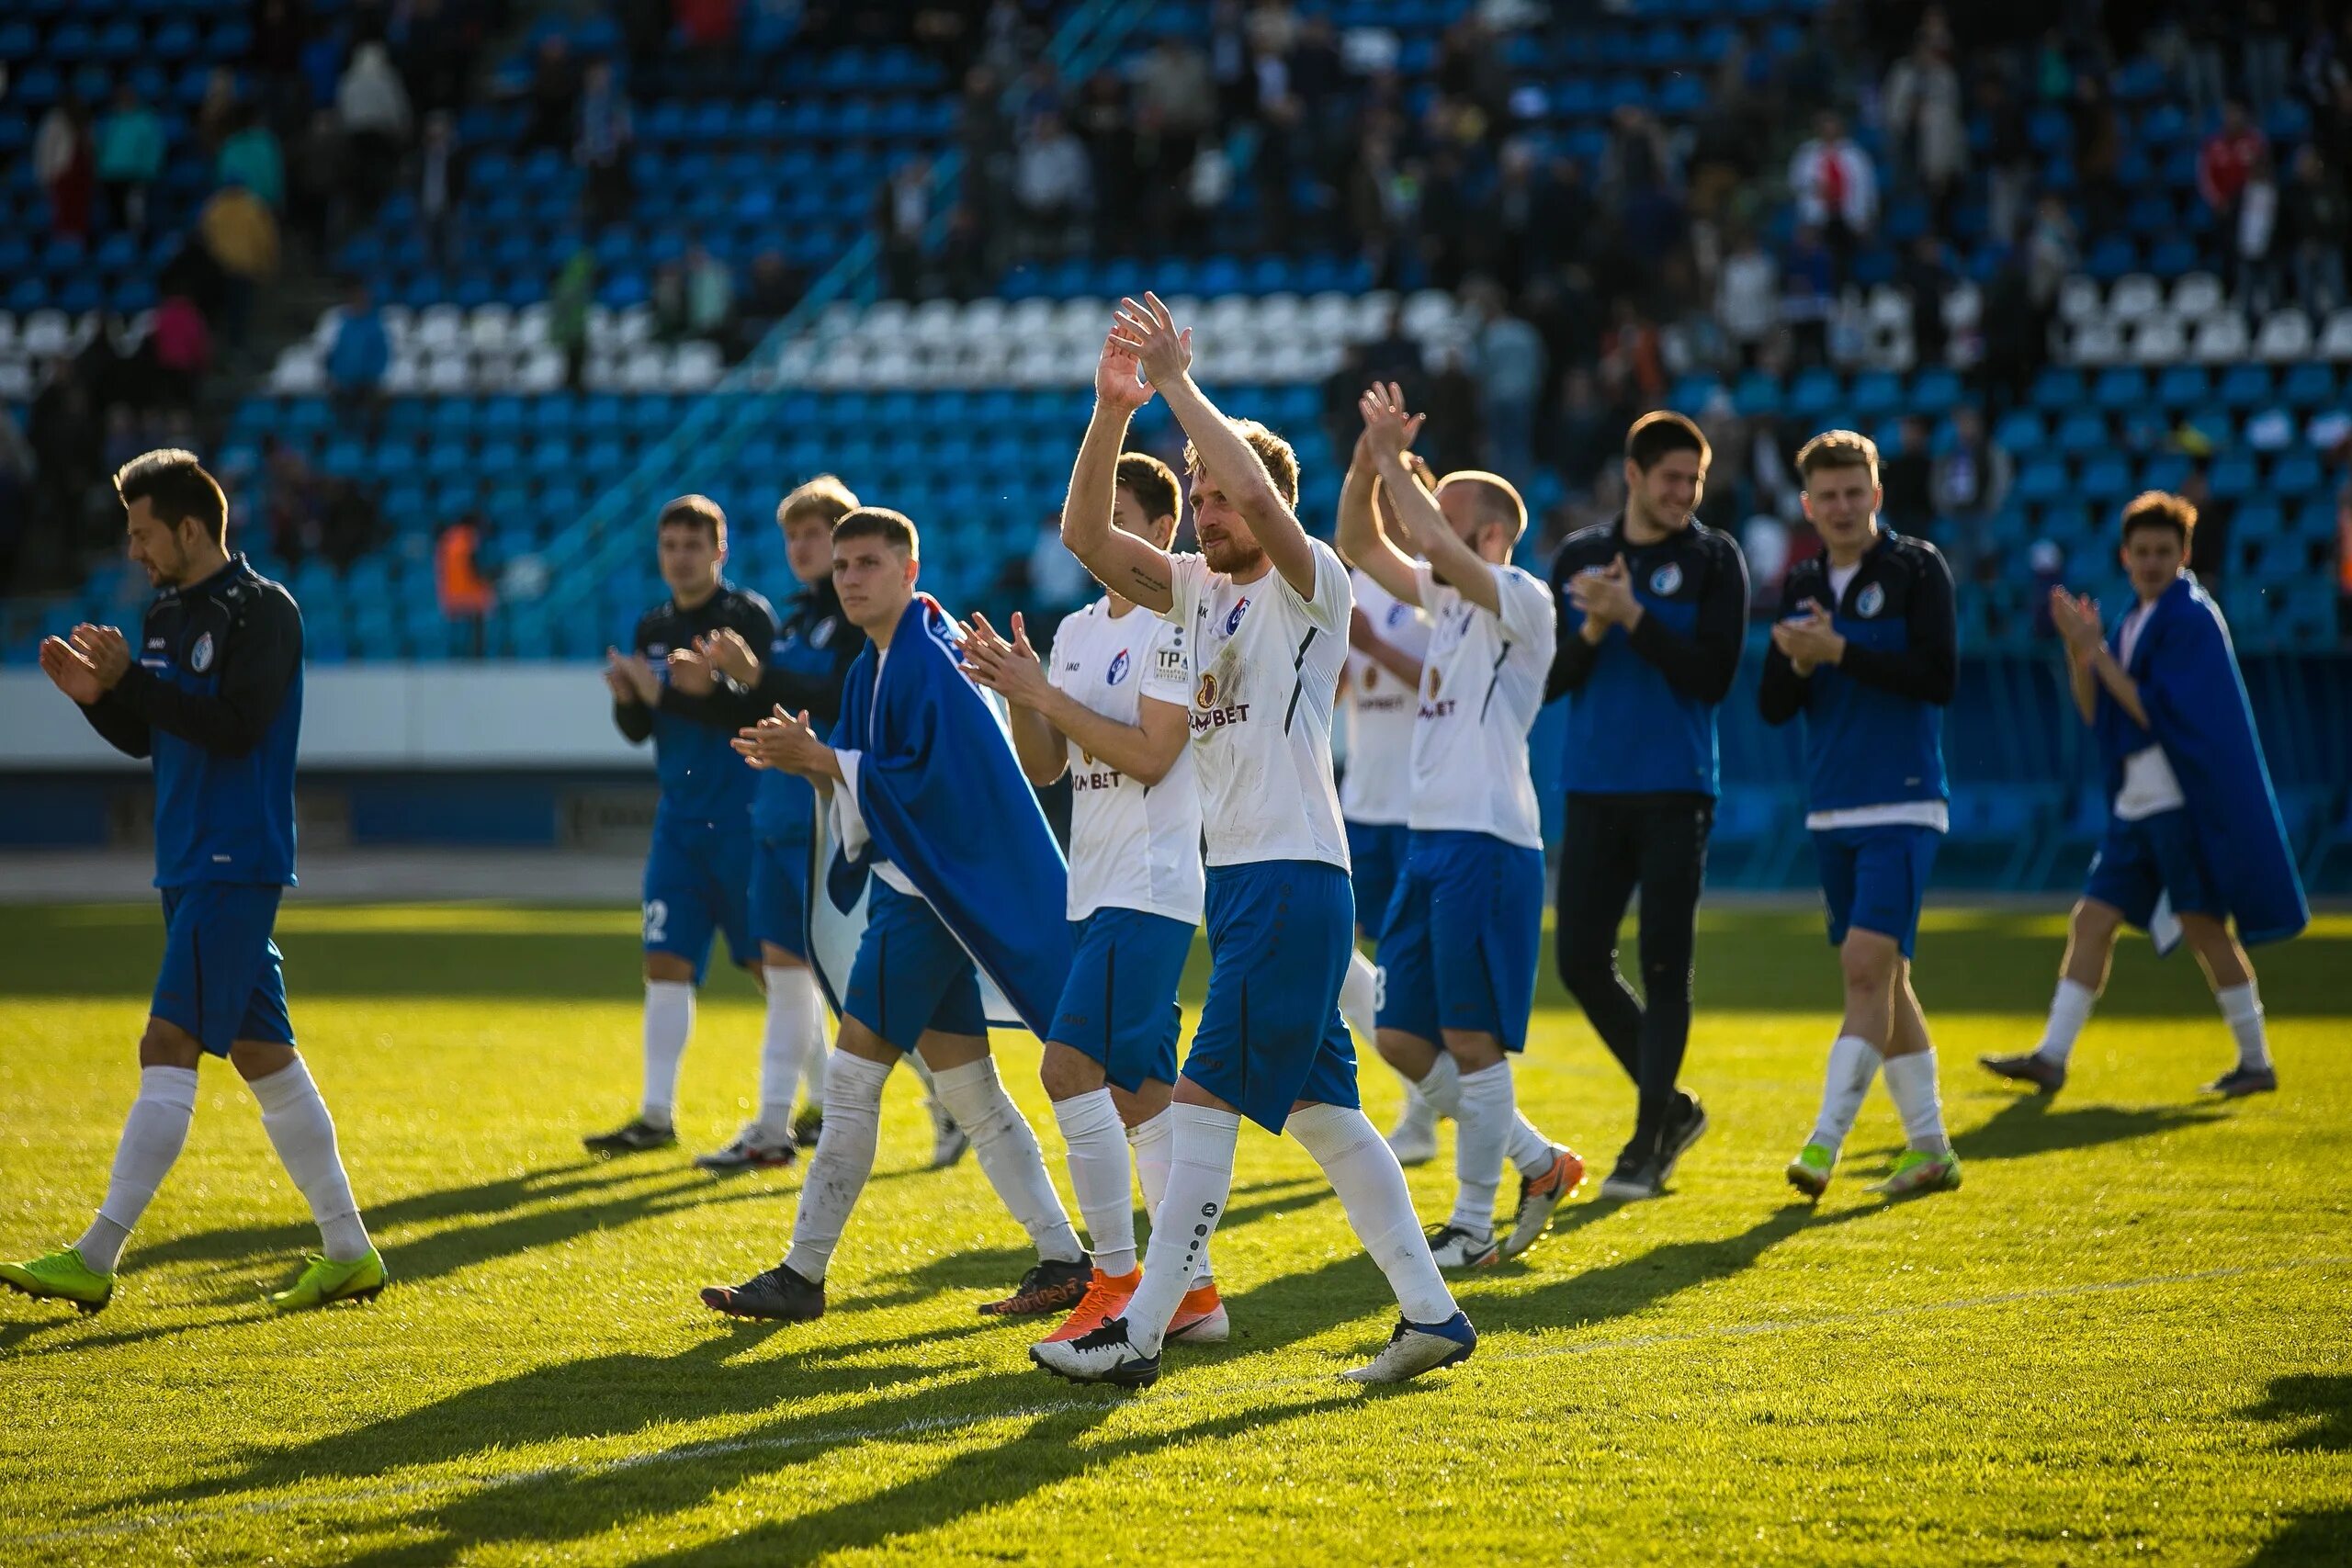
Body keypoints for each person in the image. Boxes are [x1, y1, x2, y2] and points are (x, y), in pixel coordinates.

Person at [1032, 299, 1474, 1388]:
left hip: (1291, 878)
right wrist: (1111, 412)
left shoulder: (1307, 579)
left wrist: (1181, 386)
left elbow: (1272, 508)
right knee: (1331, 1119)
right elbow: (1086, 539)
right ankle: (1432, 1315)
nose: (1205, 513)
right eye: (1198, 495)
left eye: (1219, 494)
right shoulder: (1191, 593)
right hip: (1249, 889)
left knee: (1198, 1103)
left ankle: (1141, 1332)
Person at [3, 451, 384, 1314]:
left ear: (187, 526)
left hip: (232, 857)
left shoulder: (264, 611)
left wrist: (131, 680)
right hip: (189, 859)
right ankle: (350, 1249)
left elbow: (237, 726)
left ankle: (96, 1255)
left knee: (165, 1046)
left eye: (143, 533)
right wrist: (99, 700)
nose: (134, 550)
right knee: (266, 1058)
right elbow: (158, 739)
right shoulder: (170, 611)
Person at [700, 508, 1091, 1324]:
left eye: (868, 562)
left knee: (850, 1085)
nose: (849, 577)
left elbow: (932, 787)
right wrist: (817, 768)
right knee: (973, 1092)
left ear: (910, 571)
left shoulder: (926, 659)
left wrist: (826, 763)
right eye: (841, 565)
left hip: (921, 902)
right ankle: (1063, 1257)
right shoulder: (884, 660)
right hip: (933, 895)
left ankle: (802, 1273)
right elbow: (884, 783)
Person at [961, 444, 1229, 1348]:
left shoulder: (1173, 622)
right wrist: (1019, 696)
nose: (1094, 537)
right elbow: (1047, 768)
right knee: (1141, 1097)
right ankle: (1191, 1295)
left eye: (1115, 518)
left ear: (1160, 533)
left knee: (1066, 1070)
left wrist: (1046, 696)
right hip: (1098, 887)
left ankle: (1116, 1283)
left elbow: (1153, 756)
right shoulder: (1075, 629)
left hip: (1149, 888)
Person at [1340, 385, 1586, 1266]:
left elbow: (1424, 538)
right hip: (1430, 843)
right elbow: (1359, 541)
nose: (1422, 526)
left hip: (1490, 844)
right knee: (1403, 1035)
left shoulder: (1522, 597)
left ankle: (1475, 1224)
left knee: (1474, 1037)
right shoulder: (1444, 604)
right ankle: (1537, 1160)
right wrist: (1370, 464)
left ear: (1487, 535)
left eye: (1443, 514)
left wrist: (1389, 459)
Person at [1983, 493, 2307, 1099]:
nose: (2152, 562)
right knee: (2091, 921)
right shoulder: (2137, 618)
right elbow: (2097, 712)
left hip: (2179, 803)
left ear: (2184, 554)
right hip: (2138, 802)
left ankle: (2257, 1060)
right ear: (2124, 556)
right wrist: (2082, 652)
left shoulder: (2189, 617)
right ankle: (2051, 1056)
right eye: (2142, 552)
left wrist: (2096, 651)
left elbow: (2158, 713)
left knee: (2206, 930)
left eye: (2164, 551)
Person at [1544, 411, 1749, 1201]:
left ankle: (1646, 1140)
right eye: (1670, 478)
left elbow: (1714, 677)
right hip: (1593, 785)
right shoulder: (1582, 555)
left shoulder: (1713, 558)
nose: (1684, 494)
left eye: (1693, 481)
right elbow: (1554, 680)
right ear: (1632, 475)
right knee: (1579, 961)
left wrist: (1637, 617)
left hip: (1676, 787)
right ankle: (1674, 1109)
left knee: (1666, 964)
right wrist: (1597, 628)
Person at [1758, 432, 1962, 1201]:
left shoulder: (1917, 568)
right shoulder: (1805, 577)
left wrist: (1840, 651)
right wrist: (1798, 660)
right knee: (1887, 979)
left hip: (1905, 800)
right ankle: (1932, 1148)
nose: (1843, 507)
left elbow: (1938, 677)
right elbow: (1775, 706)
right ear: (1809, 505)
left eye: (1855, 492)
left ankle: (1823, 1143)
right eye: (1828, 496)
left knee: (1863, 970)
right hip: (1831, 808)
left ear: (1878, 494)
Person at [585, 497, 779, 1155]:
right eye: (671, 544)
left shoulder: (745, 617)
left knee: (771, 965)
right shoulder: (653, 624)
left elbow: (760, 711)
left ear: (720, 551)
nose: (681, 556)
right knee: (665, 962)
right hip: (679, 822)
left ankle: (807, 1104)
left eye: (695, 544)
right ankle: (655, 1115)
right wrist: (631, 702)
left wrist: (670, 693)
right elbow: (649, 727)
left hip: (744, 817)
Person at [685, 478, 868, 1172]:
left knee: (838, 982)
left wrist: (754, 674)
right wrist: (724, 687)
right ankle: (774, 1126)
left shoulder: (853, 623)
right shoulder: (795, 622)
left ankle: (772, 1126)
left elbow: (833, 698)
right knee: (794, 977)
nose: (802, 547)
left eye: (815, 534)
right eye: (793, 535)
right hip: (776, 811)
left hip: (822, 816)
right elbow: (767, 707)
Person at [1338, 456, 1436, 1163]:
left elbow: (1448, 685)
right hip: (1361, 798)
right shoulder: (1357, 583)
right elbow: (1342, 687)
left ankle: (1426, 1107)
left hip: (1419, 801)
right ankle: (1428, 1091)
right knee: (1353, 956)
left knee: (1405, 960)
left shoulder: (1440, 587)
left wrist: (1372, 645)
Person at [95, 84, 166, 235]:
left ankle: (134, 247)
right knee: (115, 219)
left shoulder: (145, 120)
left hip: (135, 175)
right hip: (111, 175)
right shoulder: (112, 120)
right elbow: (102, 146)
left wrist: (149, 172)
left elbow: (153, 147)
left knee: (134, 218)